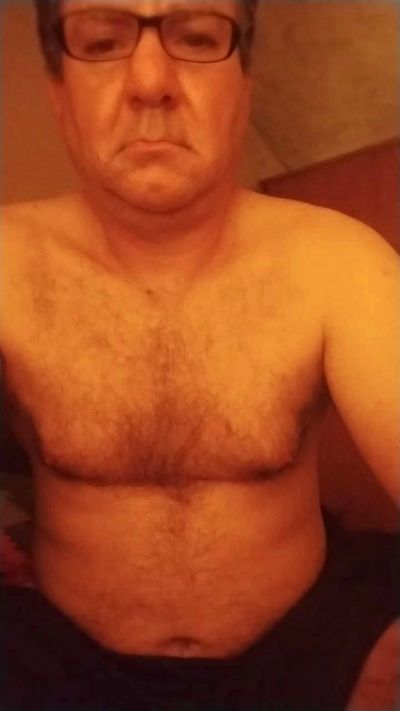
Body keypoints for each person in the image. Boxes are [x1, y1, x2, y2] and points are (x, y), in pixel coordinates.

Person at [0, 0, 399, 708]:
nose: (151, 80)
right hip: (61, 662)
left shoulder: (337, 262)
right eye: (102, 41)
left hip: (316, 647)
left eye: (196, 37)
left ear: (243, 86)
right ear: (59, 93)